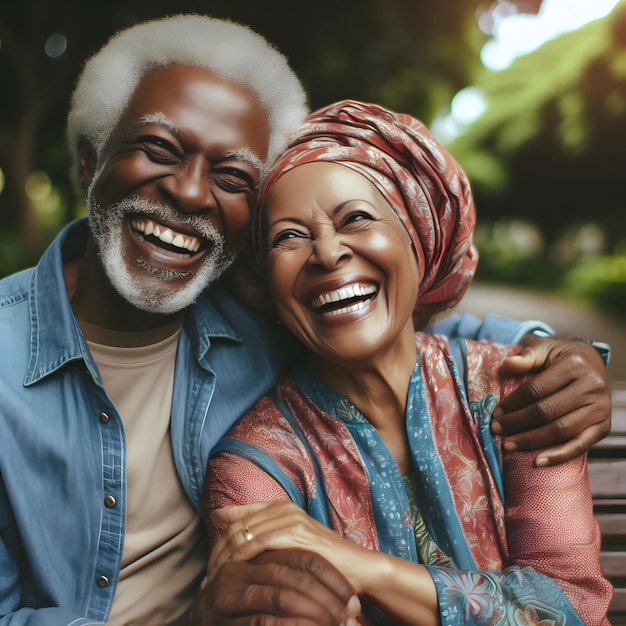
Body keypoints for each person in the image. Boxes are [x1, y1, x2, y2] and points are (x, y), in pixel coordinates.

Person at [0, 13, 610, 626]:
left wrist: (561, 352)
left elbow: (393, 330)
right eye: (159, 149)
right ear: (88, 162)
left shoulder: (249, 322)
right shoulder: (254, 448)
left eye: (232, 176)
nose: (189, 193)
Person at [202, 99, 613, 626]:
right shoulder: (252, 469)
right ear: (268, 285)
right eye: (289, 237)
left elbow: (571, 605)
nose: (327, 253)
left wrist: (364, 569)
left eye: (355, 218)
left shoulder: (517, 390)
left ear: (418, 241)